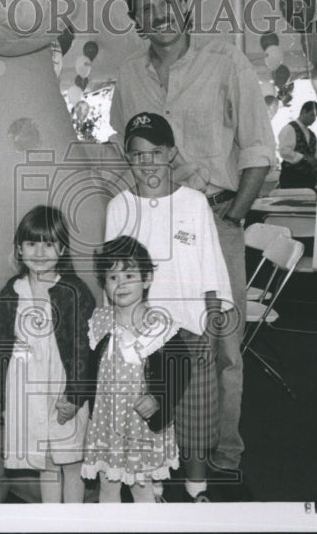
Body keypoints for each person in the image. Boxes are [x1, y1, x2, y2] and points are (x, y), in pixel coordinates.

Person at [109, 0, 276, 485]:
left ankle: (222, 449)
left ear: (185, 7)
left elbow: (257, 147)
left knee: (221, 343)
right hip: (150, 227)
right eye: (144, 6)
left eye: (166, 2)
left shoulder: (225, 61)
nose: (157, 13)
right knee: (151, 337)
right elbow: (121, 148)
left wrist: (233, 212)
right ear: (134, 20)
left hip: (213, 221)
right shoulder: (128, 75)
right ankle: (163, 444)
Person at [105, 112, 234, 503]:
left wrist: (211, 331)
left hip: (192, 330)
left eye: (155, 153)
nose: (147, 164)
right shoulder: (118, 207)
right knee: (150, 418)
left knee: (198, 418)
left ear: (172, 153)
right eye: (137, 155)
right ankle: (154, 490)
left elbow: (212, 272)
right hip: (142, 335)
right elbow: (114, 276)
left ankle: (197, 490)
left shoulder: (195, 204)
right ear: (128, 159)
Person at [0, 205, 95, 504]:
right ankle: (52, 521)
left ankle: (74, 522)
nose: (39, 251)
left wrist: (75, 397)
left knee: (71, 462)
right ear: (19, 249)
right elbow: (1, 352)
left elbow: (84, 350)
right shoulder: (12, 292)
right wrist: (6, 400)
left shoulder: (74, 291)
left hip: (63, 386)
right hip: (27, 390)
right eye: (31, 243)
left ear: (62, 248)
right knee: (47, 463)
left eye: (48, 243)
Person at [82, 235, 189, 503]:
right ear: (104, 284)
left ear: (147, 278)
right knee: (107, 484)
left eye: (129, 275)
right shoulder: (101, 323)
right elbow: (87, 368)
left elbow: (180, 370)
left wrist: (157, 398)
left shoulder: (159, 326)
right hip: (107, 425)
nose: (120, 284)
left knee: (141, 488)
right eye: (112, 277)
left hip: (141, 427)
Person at [278, 101, 317, 190]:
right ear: (303, 112)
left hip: (310, 181)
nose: (314, 119)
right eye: (312, 115)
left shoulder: (312, 135)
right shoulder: (289, 128)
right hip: (292, 178)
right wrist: (304, 157)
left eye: (316, 116)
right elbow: (284, 151)